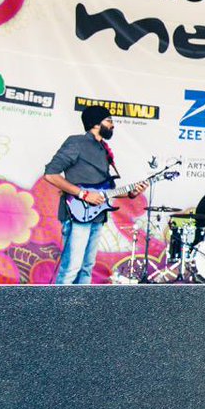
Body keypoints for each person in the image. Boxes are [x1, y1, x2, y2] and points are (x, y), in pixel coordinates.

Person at [43, 105, 144, 284]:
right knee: (71, 268)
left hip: (97, 216)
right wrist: (83, 194)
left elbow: (105, 191)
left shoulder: (104, 150)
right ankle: (57, 310)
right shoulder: (76, 143)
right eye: (109, 120)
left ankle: (80, 309)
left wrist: (130, 193)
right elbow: (50, 174)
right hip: (77, 214)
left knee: (87, 267)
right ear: (96, 124)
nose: (112, 125)